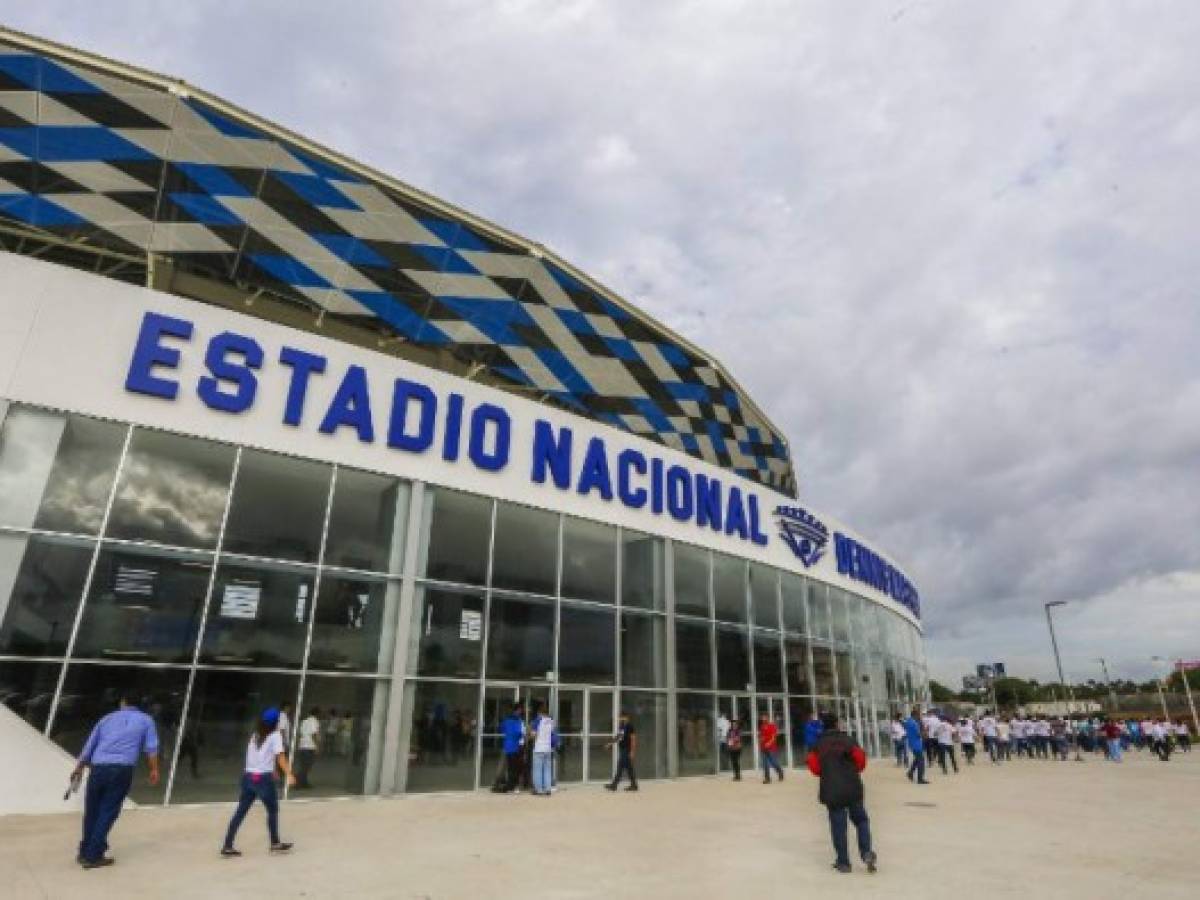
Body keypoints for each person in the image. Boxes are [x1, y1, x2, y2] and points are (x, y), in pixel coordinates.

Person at [72, 694, 160, 868]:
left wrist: (79, 767)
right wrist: (154, 769)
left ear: (123, 702)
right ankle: (93, 855)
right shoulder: (146, 720)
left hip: (98, 768)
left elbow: (90, 745)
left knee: (92, 811)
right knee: (108, 811)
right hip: (121, 770)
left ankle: (84, 851)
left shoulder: (107, 718)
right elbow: (151, 748)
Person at [806, 713, 877, 875]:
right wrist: (850, 770)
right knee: (861, 820)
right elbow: (861, 762)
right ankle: (866, 852)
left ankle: (843, 863)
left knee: (838, 826)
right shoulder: (849, 741)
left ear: (822, 725)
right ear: (837, 724)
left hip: (832, 789)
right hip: (852, 787)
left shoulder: (817, 745)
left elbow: (814, 768)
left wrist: (829, 771)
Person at [220, 707, 296, 857]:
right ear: (276, 722)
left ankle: (227, 845)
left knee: (240, 812)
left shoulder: (255, 735)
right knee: (272, 811)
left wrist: (272, 768)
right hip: (263, 780)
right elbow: (280, 757)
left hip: (249, 777)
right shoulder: (275, 735)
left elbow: (258, 756)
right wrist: (289, 774)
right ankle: (275, 843)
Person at [605, 711, 638, 792]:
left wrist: (632, 751)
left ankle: (614, 785)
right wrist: (610, 743)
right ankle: (634, 785)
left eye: (621, 717)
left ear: (626, 717)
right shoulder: (622, 726)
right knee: (629, 768)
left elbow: (633, 739)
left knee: (620, 767)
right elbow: (619, 736)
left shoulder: (630, 726)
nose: (620, 719)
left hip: (627, 750)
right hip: (622, 749)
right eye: (620, 717)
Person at [530, 703, 556, 797]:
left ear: (539, 712)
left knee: (537, 770)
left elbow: (533, 735)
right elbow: (553, 734)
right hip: (548, 749)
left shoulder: (537, 721)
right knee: (547, 769)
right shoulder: (551, 721)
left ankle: (539, 789)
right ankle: (548, 788)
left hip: (539, 749)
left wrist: (531, 736)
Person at [500, 704, 526, 793]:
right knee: (515, 768)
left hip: (508, 747)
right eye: (520, 710)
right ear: (517, 710)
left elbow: (502, 729)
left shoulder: (506, 721)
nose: (521, 712)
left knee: (510, 767)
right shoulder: (518, 721)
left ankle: (509, 785)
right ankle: (512, 786)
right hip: (516, 747)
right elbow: (519, 733)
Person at [295, 706, 321, 789]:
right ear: (317, 714)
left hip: (302, 745)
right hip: (310, 746)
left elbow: (300, 734)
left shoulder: (304, 721)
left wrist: (298, 744)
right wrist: (317, 746)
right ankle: (298, 783)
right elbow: (314, 734)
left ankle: (304, 782)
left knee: (304, 766)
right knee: (307, 766)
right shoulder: (315, 721)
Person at [903, 708, 928, 784]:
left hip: (911, 743)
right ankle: (920, 779)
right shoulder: (914, 723)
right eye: (918, 715)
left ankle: (910, 773)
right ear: (915, 715)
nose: (919, 717)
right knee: (921, 761)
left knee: (917, 759)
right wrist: (924, 732)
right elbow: (918, 734)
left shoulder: (908, 721)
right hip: (916, 744)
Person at [758, 713, 785, 783]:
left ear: (767, 718)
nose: (763, 719)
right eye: (762, 718)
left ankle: (780, 772)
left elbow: (774, 737)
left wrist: (769, 743)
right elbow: (761, 736)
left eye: (764, 717)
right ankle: (767, 778)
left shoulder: (772, 726)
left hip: (771, 748)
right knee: (765, 764)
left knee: (773, 762)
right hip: (763, 748)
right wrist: (761, 740)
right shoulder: (762, 726)